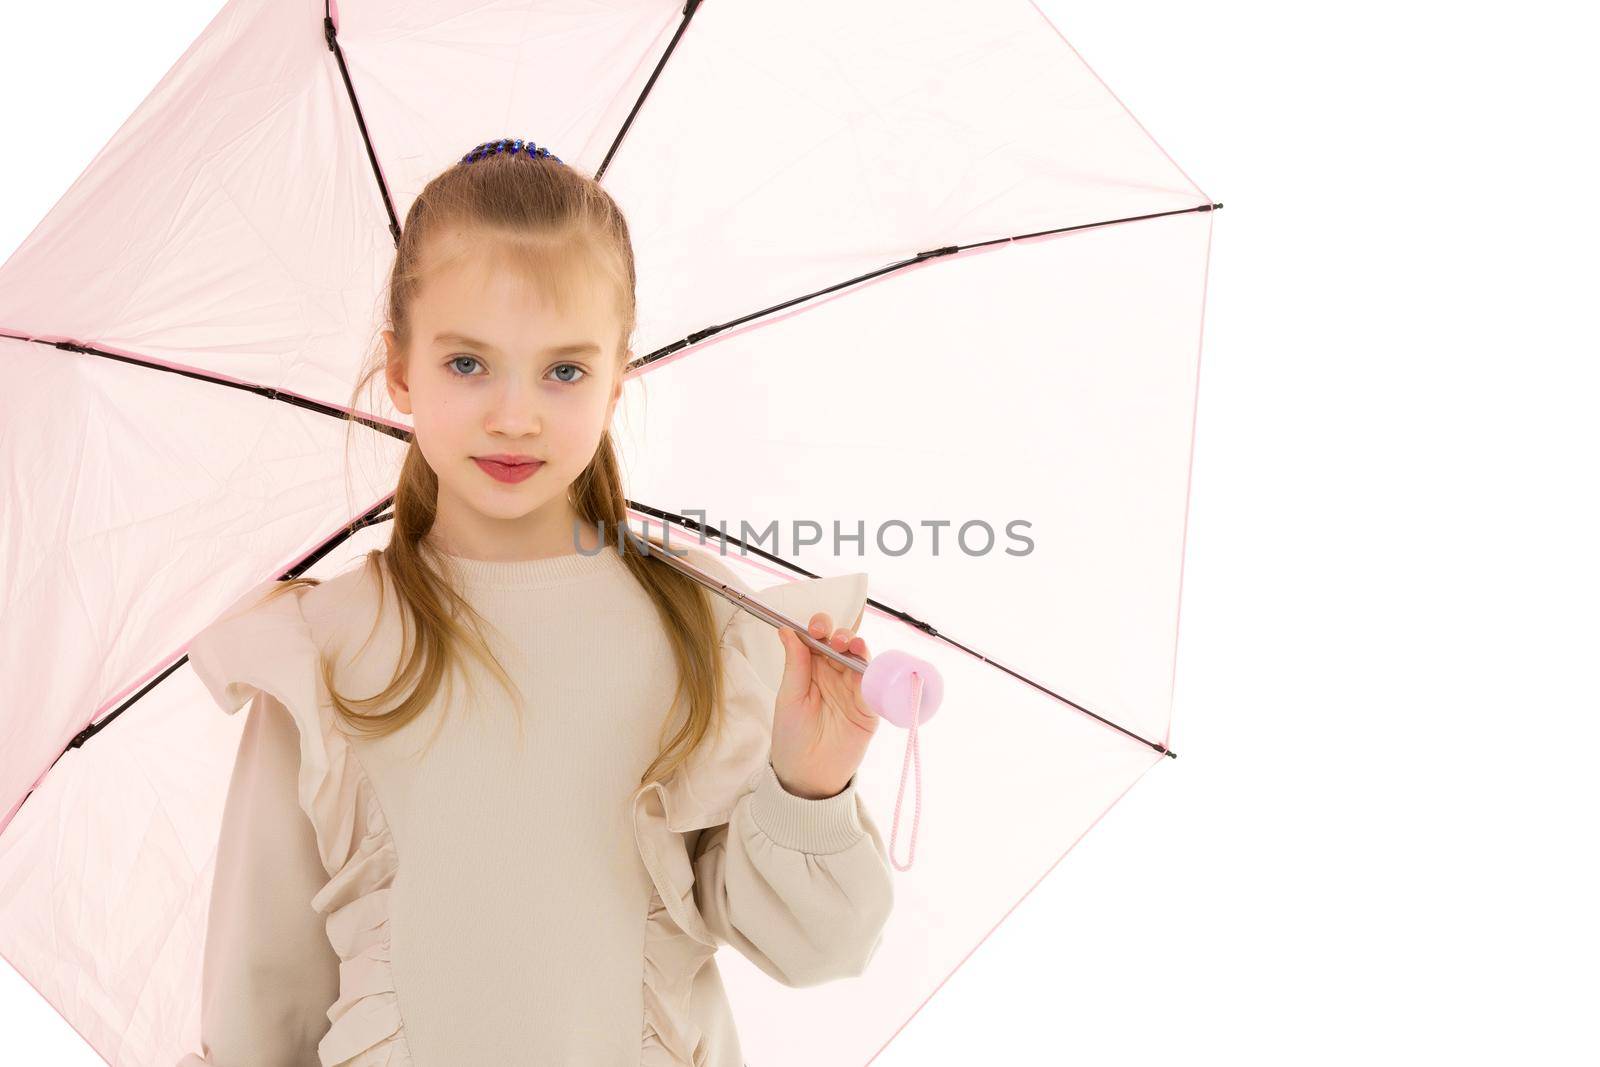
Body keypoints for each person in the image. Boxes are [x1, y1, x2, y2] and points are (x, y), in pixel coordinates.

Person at [176, 139, 895, 1066]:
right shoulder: (324, 649)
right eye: (468, 363)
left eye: (563, 370)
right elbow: (259, 997)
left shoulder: (704, 628)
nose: (515, 414)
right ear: (399, 368)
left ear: (617, 375)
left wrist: (810, 783)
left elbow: (818, 947)